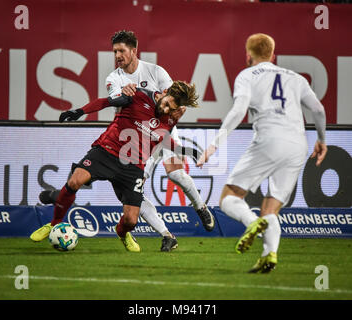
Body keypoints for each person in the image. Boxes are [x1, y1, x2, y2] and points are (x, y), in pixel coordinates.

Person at [197, 33, 327, 273]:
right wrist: (321, 139)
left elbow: (238, 110)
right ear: (272, 54)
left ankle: (251, 222)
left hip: (269, 139)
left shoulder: (247, 76)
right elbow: (318, 109)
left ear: (248, 55)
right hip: (299, 145)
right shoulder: (296, 78)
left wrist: (214, 144)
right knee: (271, 208)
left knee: (229, 198)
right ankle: (269, 255)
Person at [31, 81, 201, 253]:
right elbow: (105, 102)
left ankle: (122, 233)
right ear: (164, 92)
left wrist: (184, 150)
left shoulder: (170, 117)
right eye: (166, 104)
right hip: (107, 151)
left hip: (134, 166)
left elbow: (163, 138)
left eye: (170, 109)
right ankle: (54, 224)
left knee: (131, 220)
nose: (165, 110)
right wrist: (79, 112)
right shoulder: (137, 94)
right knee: (75, 181)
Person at [107, 30, 215, 232]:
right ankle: (166, 234)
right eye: (115, 52)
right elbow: (116, 107)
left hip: (163, 130)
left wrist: (169, 124)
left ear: (134, 50)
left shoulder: (156, 72)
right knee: (135, 187)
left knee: (176, 175)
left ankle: (200, 207)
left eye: (121, 51)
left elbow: (179, 106)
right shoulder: (114, 78)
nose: (118, 56)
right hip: (135, 137)